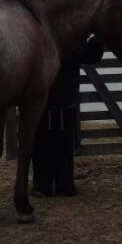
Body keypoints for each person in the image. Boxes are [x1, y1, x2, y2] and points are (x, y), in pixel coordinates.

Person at [32, 35, 104, 196]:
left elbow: (87, 56)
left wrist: (97, 42)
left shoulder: (73, 32)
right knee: (42, 142)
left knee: (63, 141)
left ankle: (63, 184)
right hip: (43, 95)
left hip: (65, 95)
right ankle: (42, 185)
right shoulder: (45, 28)